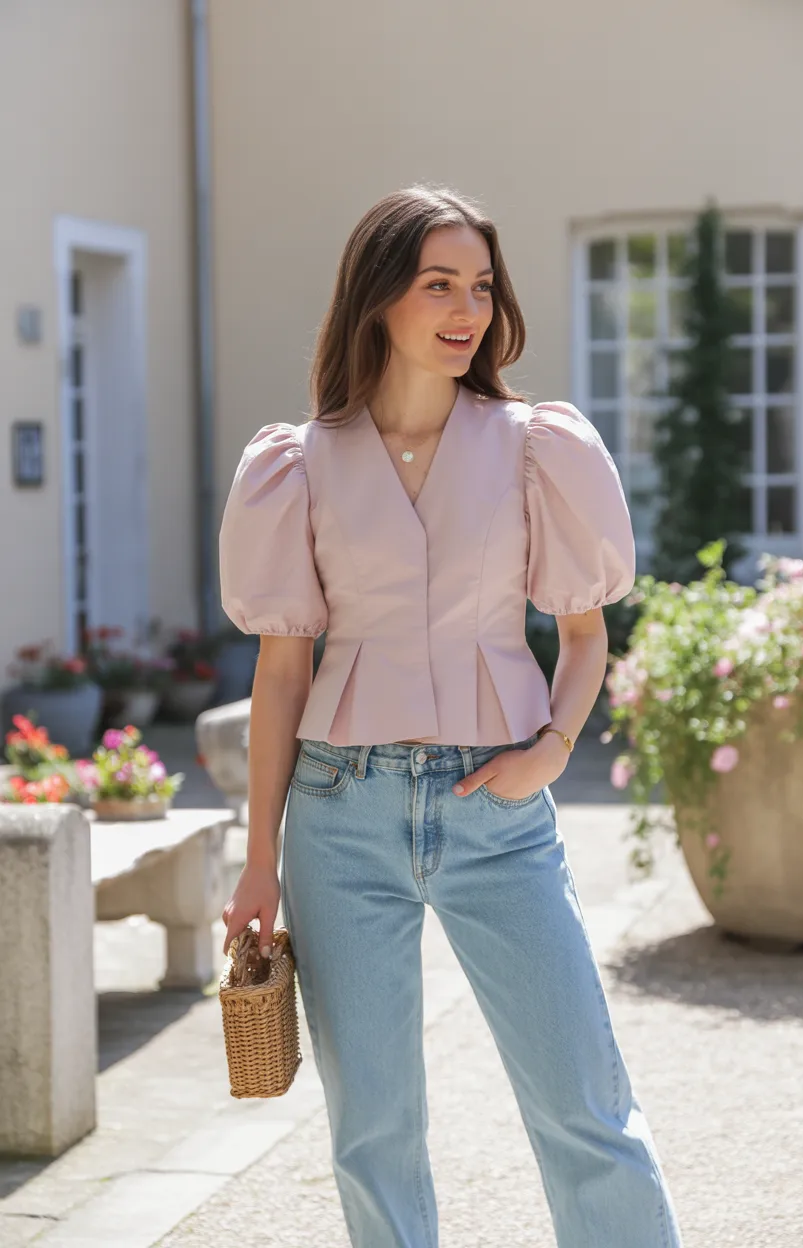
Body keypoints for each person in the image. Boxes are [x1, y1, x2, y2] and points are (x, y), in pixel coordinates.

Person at [218, 184, 683, 1248]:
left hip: (497, 808)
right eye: (439, 285)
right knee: (371, 1131)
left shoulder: (535, 446)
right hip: (339, 815)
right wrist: (259, 860)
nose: (467, 309)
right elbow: (281, 674)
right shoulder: (297, 463)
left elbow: (583, 636)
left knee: (584, 1108)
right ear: (379, 297)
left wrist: (550, 752)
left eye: (480, 286)